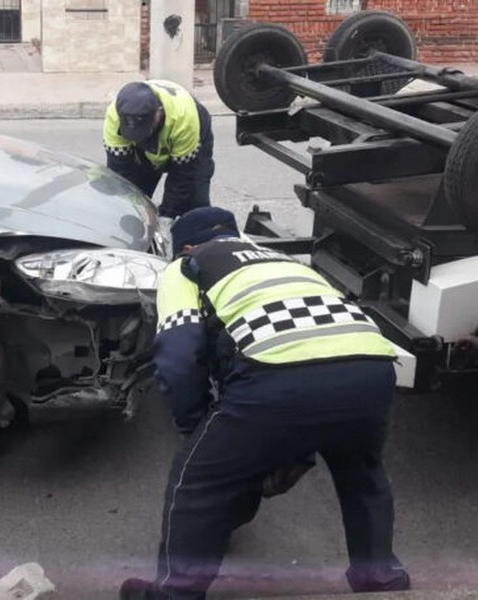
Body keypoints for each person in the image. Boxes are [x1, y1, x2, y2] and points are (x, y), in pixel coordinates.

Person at [122, 207, 409, 599]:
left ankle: (175, 594)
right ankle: (381, 579)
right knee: (363, 476)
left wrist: (194, 426)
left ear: (185, 246)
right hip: (370, 369)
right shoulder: (286, 262)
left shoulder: (187, 265)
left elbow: (177, 355)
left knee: (197, 482)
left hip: (276, 375)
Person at [103, 80, 214, 221]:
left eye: (143, 130)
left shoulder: (184, 118)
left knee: (197, 199)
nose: (139, 138)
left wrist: (167, 215)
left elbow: (183, 175)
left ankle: (203, 237)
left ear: (158, 113)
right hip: (145, 150)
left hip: (189, 136)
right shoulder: (114, 118)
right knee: (133, 198)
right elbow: (119, 171)